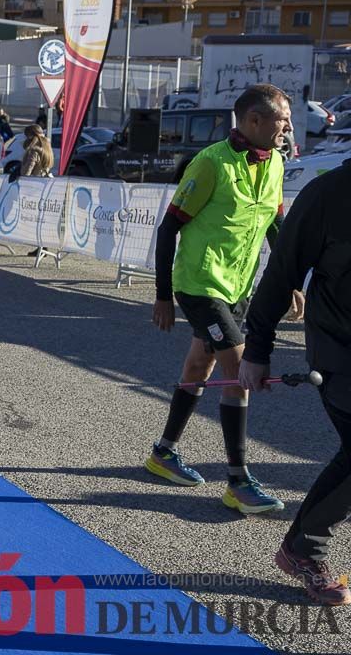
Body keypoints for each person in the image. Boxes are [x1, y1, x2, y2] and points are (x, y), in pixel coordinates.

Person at [146, 84, 293, 514]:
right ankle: (238, 480)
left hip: (238, 286)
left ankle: (163, 452)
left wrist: (292, 281)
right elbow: (168, 228)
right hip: (199, 283)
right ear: (254, 122)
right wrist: (163, 296)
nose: (287, 126)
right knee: (240, 367)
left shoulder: (278, 162)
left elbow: (274, 225)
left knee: (199, 365)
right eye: (282, 118)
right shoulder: (210, 163)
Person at [239, 160, 351, 605]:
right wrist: (257, 350)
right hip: (338, 349)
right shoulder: (327, 194)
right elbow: (282, 272)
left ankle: (301, 546)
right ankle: (306, 548)